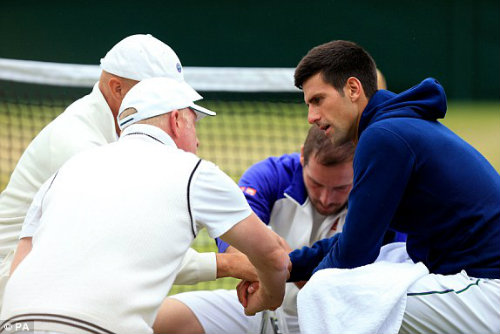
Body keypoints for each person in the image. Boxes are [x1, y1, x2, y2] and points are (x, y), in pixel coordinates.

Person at [0, 77, 290, 333]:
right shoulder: (196, 172)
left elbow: (22, 263)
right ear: (176, 120)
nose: (198, 141)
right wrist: (267, 298)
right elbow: (274, 255)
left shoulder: (65, 171)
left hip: (15, 321)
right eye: (194, 123)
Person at [0, 34, 245, 306]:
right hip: (12, 284)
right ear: (117, 88)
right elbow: (135, 248)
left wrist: (236, 243)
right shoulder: (78, 145)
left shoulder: (130, 134)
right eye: (156, 93)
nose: (167, 104)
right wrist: (229, 264)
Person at [276, 40, 499, 333]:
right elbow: (364, 240)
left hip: (486, 288)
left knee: (327, 291)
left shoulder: (384, 136)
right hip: (469, 279)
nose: (311, 117)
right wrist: (288, 267)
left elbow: (353, 254)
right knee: (384, 258)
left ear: (353, 89)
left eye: (318, 100)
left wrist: (286, 284)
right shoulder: (394, 127)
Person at [153, 126, 356, 334]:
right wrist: (270, 266)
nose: (326, 198)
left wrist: (279, 266)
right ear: (303, 156)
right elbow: (236, 245)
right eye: (316, 183)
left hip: (339, 322)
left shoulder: (375, 198)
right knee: (158, 320)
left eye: (340, 188)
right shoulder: (270, 175)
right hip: (264, 311)